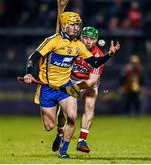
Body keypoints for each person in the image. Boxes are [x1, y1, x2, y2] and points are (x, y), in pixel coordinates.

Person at [23, 12, 120, 158]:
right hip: (47, 87)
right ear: (64, 25)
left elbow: (95, 62)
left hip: (65, 87)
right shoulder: (52, 41)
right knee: (49, 126)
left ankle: (63, 151)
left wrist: (109, 55)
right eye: (73, 25)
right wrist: (29, 73)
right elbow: (33, 57)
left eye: (77, 25)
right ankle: (58, 132)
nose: (76, 28)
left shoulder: (78, 45)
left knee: (72, 116)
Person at [52, 26, 105, 153]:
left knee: (90, 105)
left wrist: (75, 87)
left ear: (96, 40)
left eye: (92, 39)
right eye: (85, 37)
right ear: (80, 37)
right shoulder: (73, 47)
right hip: (70, 80)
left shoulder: (98, 55)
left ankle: (82, 141)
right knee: (64, 113)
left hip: (88, 83)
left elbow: (92, 81)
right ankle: (60, 133)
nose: (88, 41)